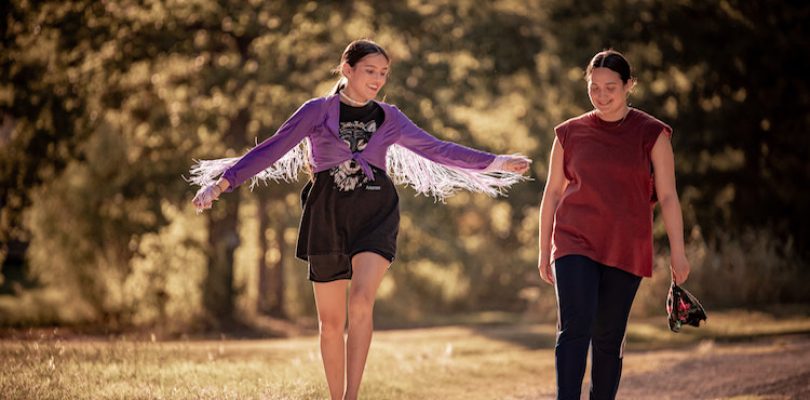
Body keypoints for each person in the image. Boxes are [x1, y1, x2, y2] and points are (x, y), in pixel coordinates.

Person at [190, 39, 531, 400]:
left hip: (375, 214)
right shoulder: (317, 111)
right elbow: (273, 147)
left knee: (361, 302)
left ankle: (352, 396)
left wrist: (496, 162)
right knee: (330, 324)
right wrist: (223, 183)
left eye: (383, 73)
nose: (378, 79)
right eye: (370, 71)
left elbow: (438, 149)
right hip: (327, 215)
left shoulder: (390, 117)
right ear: (347, 69)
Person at [537, 49, 691, 399]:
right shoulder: (568, 133)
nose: (601, 95)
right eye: (594, 88)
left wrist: (678, 253)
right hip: (574, 240)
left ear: (629, 85)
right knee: (574, 327)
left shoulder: (652, 133)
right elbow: (552, 193)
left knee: (608, 336)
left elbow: (668, 196)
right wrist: (544, 249)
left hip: (626, 246)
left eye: (611, 88)